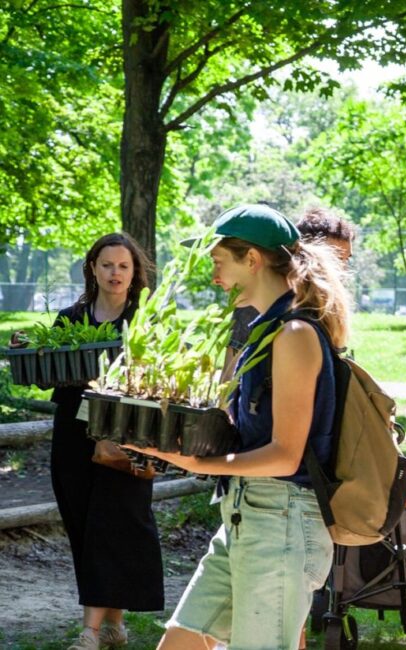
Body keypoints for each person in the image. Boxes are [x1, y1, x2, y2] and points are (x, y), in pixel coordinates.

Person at [128, 204, 350, 649]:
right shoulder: (266, 331)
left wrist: (197, 461)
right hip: (245, 516)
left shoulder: (294, 335)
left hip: (281, 522)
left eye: (218, 261)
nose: (213, 275)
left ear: (252, 259)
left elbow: (286, 455)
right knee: (180, 642)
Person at [37, 233, 163, 650]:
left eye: (123, 266)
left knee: (115, 527)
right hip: (73, 440)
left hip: (128, 438)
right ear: (93, 268)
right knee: (84, 528)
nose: (115, 273)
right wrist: (34, 353)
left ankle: (90, 633)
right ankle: (112, 625)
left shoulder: (146, 321)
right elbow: (46, 378)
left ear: (134, 272)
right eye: (107, 265)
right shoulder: (70, 319)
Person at [220, 206, 357, 381]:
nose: (342, 270)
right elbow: (229, 377)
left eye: (346, 260)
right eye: (335, 259)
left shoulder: (330, 308)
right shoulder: (262, 300)